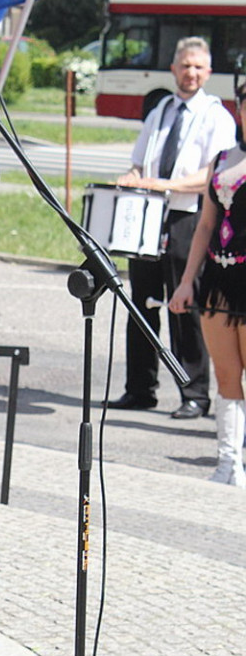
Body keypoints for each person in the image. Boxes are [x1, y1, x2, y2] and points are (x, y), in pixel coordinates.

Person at [108, 37, 236, 419]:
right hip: (147, 218)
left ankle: (194, 394)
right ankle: (140, 388)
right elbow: (139, 163)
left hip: (188, 219)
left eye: (198, 67)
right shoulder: (160, 110)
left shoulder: (217, 116)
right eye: (185, 65)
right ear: (173, 68)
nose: (191, 73)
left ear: (209, 73)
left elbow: (215, 175)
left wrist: (168, 186)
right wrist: (130, 178)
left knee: (184, 306)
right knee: (140, 304)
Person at [169, 81, 246, 486]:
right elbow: (205, 225)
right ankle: (228, 463)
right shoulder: (222, 160)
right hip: (218, 278)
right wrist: (186, 283)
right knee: (226, 374)